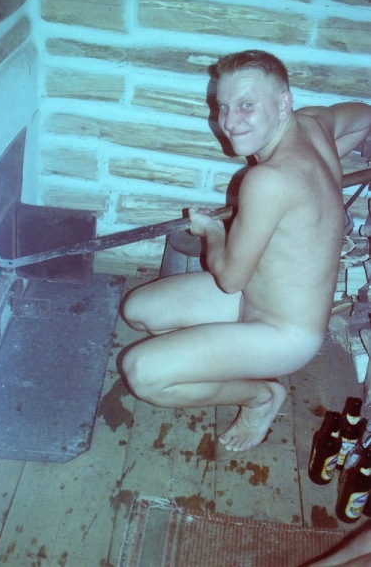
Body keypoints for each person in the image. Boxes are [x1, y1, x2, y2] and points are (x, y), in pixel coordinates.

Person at [120, 50, 371, 452]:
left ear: (283, 103)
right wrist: (328, 165)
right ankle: (211, 356)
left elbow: (229, 277)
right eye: (223, 106)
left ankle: (260, 397)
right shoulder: (315, 123)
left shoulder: (267, 180)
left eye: (246, 105)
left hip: (284, 334)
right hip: (254, 294)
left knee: (141, 372)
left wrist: (211, 230)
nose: (230, 121)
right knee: (137, 310)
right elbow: (364, 116)